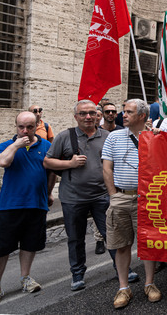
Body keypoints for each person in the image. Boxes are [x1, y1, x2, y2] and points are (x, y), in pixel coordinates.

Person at [44, 100, 137, 291]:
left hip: (102, 196)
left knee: (112, 235)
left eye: (92, 113)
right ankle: (77, 274)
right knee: (75, 237)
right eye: (83, 114)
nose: (88, 117)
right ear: (76, 116)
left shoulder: (108, 137)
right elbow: (47, 162)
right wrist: (69, 164)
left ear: (98, 116)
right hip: (73, 197)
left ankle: (121, 271)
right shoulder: (64, 136)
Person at [0, 112, 55, 305]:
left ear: (37, 125)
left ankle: (25, 277)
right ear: (16, 126)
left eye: (30, 127)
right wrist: (17, 144)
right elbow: (3, 162)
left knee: (30, 244)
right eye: (21, 127)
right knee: (2, 246)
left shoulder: (46, 146)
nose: (25, 131)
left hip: (36, 204)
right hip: (11, 205)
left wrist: (49, 193)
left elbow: (51, 172)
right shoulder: (5, 146)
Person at [103, 99, 162, 309]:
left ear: (142, 116)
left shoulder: (154, 137)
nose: (123, 115)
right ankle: (123, 287)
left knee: (148, 244)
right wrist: (113, 195)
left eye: (129, 112)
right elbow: (107, 168)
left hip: (147, 198)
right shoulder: (113, 137)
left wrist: (156, 137)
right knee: (121, 245)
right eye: (124, 111)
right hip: (121, 197)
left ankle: (150, 283)